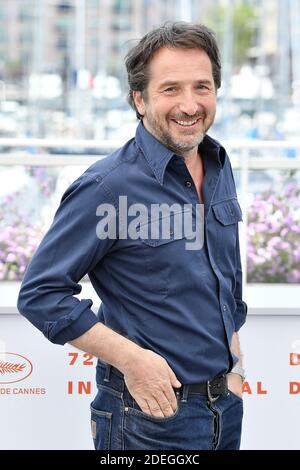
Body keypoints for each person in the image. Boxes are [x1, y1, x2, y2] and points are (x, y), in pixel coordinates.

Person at [18, 22, 248, 450]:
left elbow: (222, 269)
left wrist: (233, 359)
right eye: (170, 89)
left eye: (202, 86)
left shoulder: (217, 163)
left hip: (224, 409)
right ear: (139, 100)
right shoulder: (107, 187)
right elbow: (40, 293)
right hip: (147, 420)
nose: (189, 104)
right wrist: (132, 360)